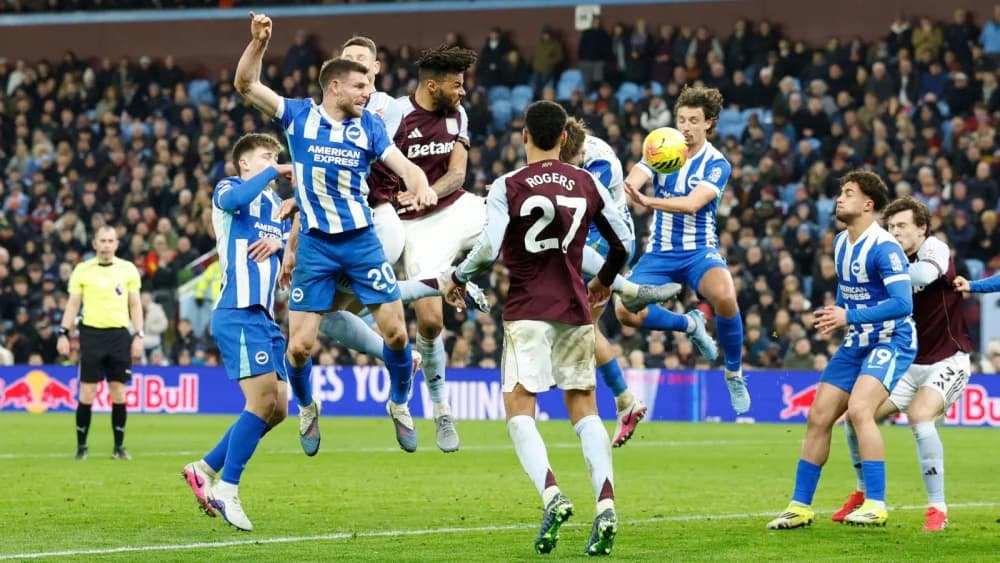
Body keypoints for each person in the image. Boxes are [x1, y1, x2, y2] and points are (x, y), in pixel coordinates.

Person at [234, 12, 436, 454]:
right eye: (361, 87)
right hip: (317, 247)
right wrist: (259, 43)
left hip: (361, 240)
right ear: (336, 86)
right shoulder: (298, 116)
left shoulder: (370, 126)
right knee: (300, 349)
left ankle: (399, 403)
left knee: (398, 335)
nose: (369, 93)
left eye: (370, 86)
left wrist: (420, 184)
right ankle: (308, 408)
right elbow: (247, 85)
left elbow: (402, 166)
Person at [444, 100, 630, 556]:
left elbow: (488, 249)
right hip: (574, 305)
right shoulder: (586, 181)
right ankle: (606, 505)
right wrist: (603, 282)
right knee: (584, 409)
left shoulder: (509, 184)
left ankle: (552, 495)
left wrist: (459, 277)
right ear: (565, 139)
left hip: (527, 306)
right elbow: (624, 241)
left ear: (523, 136)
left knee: (520, 409)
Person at [321, 42, 481, 453]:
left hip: (436, 217)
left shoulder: (457, 115)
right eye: (456, 84)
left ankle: (441, 409)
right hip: (390, 221)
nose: (462, 92)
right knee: (334, 313)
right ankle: (403, 352)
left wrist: (427, 189)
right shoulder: (390, 113)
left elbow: (458, 174)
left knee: (430, 324)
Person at [767, 171, 916, 529]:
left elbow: (903, 303)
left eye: (848, 193)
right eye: (840, 192)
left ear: (868, 204)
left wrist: (847, 315)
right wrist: (837, 316)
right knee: (818, 416)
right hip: (856, 342)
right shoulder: (839, 243)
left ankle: (876, 503)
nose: (839, 199)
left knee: (860, 410)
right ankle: (800, 507)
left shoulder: (885, 248)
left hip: (890, 339)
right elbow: (848, 292)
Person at [829, 196, 971, 532]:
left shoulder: (935, 249)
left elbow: (922, 273)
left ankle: (937, 508)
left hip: (947, 359)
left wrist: (881, 274)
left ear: (922, 228)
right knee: (856, 414)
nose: (895, 232)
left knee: (920, 416)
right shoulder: (884, 258)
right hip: (908, 361)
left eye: (903, 226)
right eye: (891, 226)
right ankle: (864, 493)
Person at [181, 133, 293, 532]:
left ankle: (205, 467)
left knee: (278, 408)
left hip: (265, 316)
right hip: (237, 309)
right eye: (266, 157)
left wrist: (280, 243)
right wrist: (273, 172)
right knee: (261, 402)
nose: (274, 163)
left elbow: (285, 241)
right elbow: (231, 203)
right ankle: (227, 487)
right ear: (244, 164)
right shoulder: (230, 188)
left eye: (277, 157)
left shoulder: (277, 206)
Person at [618, 86, 750, 415]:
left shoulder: (717, 163)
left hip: (698, 251)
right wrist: (627, 192)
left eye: (693, 120)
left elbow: (693, 204)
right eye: (681, 119)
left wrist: (649, 201)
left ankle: (733, 372)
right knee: (623, 311)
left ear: (709, 123)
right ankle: (689, 325)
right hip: (659, 252)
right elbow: (634, 178)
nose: (686, 127)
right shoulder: (663, 147)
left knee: (724, 295)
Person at [560, 118, 682, 447]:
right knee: (585, 329)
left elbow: (576, 208)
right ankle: (623, 401)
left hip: (604, 246)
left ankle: (622, 400)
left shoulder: (597, 163)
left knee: (580, 328)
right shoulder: (578, 150)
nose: (580, 154)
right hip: (604, 243)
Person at [57, 224, 144, 461]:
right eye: (102, 241)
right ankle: (82, 447)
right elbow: (73, 304)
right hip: (91, 335)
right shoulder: (82, 270)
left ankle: (119, 447)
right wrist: (63, 333)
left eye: (110, 241)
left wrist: (139, 335)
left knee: (119, 393)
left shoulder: (128, 269)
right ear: (94, 244)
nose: (106, 245)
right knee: (87, 392)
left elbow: (135, 304)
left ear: (116, 244)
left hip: (119, 335)